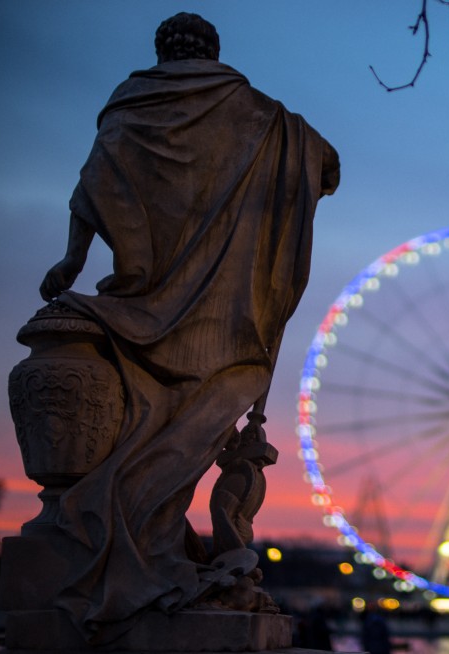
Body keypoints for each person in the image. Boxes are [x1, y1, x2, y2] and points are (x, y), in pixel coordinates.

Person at [38, 12, 339, 644]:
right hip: (225, 316)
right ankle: (155, 548)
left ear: (161, 52)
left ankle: (139, 546)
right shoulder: (265, 119)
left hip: (146, 297)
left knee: (137, 429)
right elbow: (327, 164)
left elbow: (94, 188)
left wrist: (72, 260)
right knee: (187, 435)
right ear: (214, 52)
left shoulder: (131, 108)